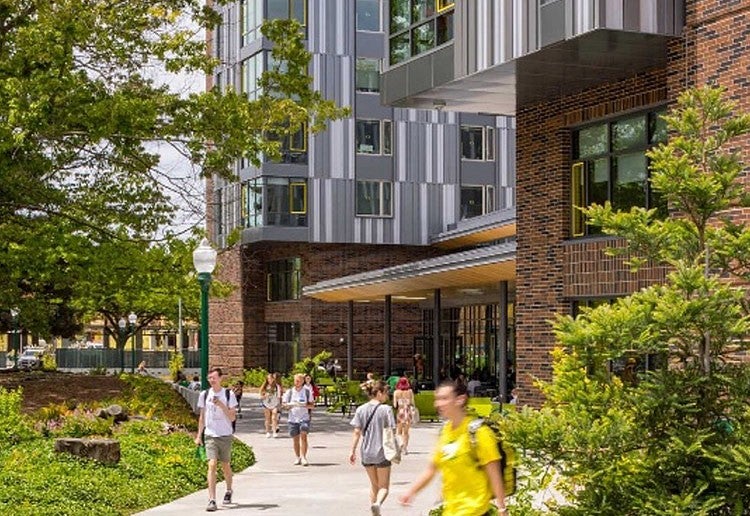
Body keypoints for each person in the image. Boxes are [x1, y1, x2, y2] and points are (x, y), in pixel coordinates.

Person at [398, 380, 507, 516]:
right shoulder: (445, 432)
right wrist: (411, 492)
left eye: (444, 399)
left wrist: (502, 508)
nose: (438, 404)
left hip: (475, 511)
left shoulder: (479, 432)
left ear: (460, 400)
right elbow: (432, 469)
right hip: (451, 510)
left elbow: (494, 473)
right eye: (437, 399)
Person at [349, 380, 396, 516]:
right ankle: (377, 504)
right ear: (379, 393)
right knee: (384, 487)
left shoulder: (360, 409)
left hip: (366, 452)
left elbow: (357, 432)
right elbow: (391, 430)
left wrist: (352, 450)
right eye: (386, 393)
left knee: (374, 485)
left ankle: (374, 511)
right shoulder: (386, 410)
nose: (387, 396)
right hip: (382, 451)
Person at [195, 367, 238, 512]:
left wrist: (221, 405)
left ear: (220, 378)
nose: (212, 380)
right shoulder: (204, 394)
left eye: (214, 377)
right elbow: (202, 416)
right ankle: (212, 499)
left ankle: (229, 489)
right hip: (210, 435)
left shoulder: (228, 394)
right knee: (212, 464)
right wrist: (198, 435)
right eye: (210, 378)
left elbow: (232, 417)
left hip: (225, 435)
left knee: (225, 465)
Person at [282, 373, 314, 466]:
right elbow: (284, 405)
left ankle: (304, 457)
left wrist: (304, 405)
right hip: (293, 418)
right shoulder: (290, 392)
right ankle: (297, 456)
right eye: (295, 380)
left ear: (302, 381)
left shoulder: (307, 391)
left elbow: (312, 405)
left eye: (298, 381)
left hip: (304, 417)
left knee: (303, 435)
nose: (296, 382)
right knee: (295, 438)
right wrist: (288, 406)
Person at [392, 376, 415, 455]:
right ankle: (405, 448)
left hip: (400, 412)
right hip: (408, 412)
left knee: (399, 431)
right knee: (406, 432)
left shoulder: (396, 392)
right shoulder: (410, 392)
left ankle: (400, 444)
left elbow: (395, 405)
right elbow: (412, 403)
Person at [259, 373, 281, 437]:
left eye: (271, 378)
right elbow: (261, 396)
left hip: (274, 404)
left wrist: (279, 404)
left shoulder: (277, 386)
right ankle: (267, 431)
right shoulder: (264, 386)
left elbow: (279, 396)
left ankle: (274, 432)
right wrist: (265, 395)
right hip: (266, 404)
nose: (270, 380)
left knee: (274, 417)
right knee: (267, 418)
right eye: (268, 379)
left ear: (273, 379)